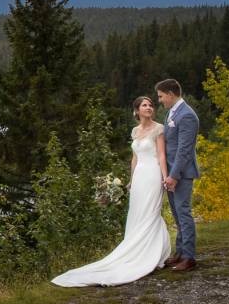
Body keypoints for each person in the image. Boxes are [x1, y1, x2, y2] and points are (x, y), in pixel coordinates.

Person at [50, 96, 171, 287]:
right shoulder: (135, 131)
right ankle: (135, 251)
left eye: (150, 105)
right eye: (144, 105)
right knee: (138, 214)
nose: (149, 107)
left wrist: (165, 177)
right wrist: (131, 180)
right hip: (139, 178)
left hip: (153, 175)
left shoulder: (158, 129)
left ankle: (152, 254)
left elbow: (162, 155)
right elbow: (134, 158)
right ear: (137, 111)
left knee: (151, 213)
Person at [156, 77, 201, 272]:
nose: (159, 100)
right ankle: (180, 252)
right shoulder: (172, 113)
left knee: (183, 213)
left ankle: (189, 257)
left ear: (171, 94)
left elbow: (184, 150)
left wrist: (173, 176)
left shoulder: (187, 115)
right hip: (172, 172)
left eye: (160, 96)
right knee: (177, 214)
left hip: (181, 173)